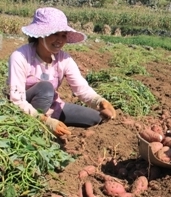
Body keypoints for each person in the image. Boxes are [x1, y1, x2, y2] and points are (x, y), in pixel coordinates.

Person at [6, 7, 116, 137]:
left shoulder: (64, 59)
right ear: (41, 35)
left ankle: (51, 121)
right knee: (45, 89)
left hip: (53, 107)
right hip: (24, 111)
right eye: (55, 34)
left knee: (97, 118)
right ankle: (34, 132)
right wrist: (44, 121)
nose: (60, 40)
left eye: (63, 35)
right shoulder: (20, 57)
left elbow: (81, 88)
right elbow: (17, 100)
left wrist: (100, 101)